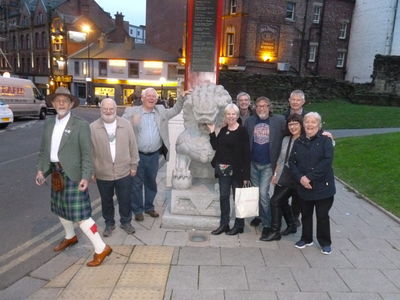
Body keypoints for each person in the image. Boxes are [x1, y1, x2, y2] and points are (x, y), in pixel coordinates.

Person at [36, 87, 111, 267]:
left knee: (82, 215)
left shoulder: (80, 125)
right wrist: (41, 171)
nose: (61, 103)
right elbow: (44, 151)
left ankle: (101, 248)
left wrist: (85, 176)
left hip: (74, 175)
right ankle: (70, 237)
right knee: (60, 209)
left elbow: (87, 154)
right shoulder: (48, 124)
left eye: (65, 100)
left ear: (71, 104)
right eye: (58, 100)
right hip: (56, 174)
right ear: (53, 103)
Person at [122, 87, 186, 222]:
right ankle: (138, 210)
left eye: (154, 97)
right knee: (136, 184)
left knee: (151, 182)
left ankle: (149, 207)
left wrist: (181, 98)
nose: (151, 98)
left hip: (154, 155)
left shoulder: (160, 111)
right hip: (137, 155)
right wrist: (131, 123)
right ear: (142, 98)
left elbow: (175, 110)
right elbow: (120, 125)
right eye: (149, 96)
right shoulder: (132, 112)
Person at [90, 98, 139, 237]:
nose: (108, 111)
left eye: (111, 109)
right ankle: (109, 224)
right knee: (106, 201)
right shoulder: (93, 127)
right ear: (100, 109)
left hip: (124, 170)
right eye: (105, 109)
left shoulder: (126, 124)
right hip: (102, 172)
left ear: (116, 109)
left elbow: (133, 146)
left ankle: (126, 222)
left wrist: (133, 165)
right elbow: (90, 151)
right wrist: (92, 170)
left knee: (125, 199)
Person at [289, 112, 336, 255]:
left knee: (322, 216)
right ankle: (306, 238)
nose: (310, 125)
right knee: (306, 214)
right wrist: (301, 178)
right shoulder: (299, 141)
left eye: (313, 122)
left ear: (319, 125)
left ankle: (325, 242)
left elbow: (326, 162)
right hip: (304, 185)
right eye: (307, 122)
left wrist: (309, 177)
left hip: (323, 187)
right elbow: (292, 162)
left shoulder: (325, 140)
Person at [244, 96, 286, 241]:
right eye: (258, 106)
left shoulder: (279, 121)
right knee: (256, 194)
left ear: (269, 107)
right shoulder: (250, 121)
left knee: (263, 194)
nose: (261, 108)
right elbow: (242, 139)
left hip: (268, 164)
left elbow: (294, 129)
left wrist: (322, 132)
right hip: (253, 163)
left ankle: (268, 226)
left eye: (264, 106)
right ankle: (261, 216)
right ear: (255, 107)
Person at [208, 103, 251, 236]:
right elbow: (216, 146)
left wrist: (246, 176)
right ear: (225, 116)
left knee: (238, 198)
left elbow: (246, 154)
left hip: (238, 171)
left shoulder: (242, 131)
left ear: (237, 115)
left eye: (233, 114)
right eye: (228, 114)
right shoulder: (223, 129)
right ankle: (224, 224)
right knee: (223, 197)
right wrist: (212, 131)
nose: (231, 116)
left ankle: (239, 225)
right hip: (223, 170)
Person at [261, 114, 304, 241]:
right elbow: (280, 159)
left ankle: (275, 231)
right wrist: (276, 175)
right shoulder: (286, 139)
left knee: (275, 201)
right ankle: (291, 225)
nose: (293, 127)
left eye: (296, 124)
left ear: (301, 125)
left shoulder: (305, 140)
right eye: (290, 124)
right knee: (282, 201)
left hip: (296, 178)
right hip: (284, 175)